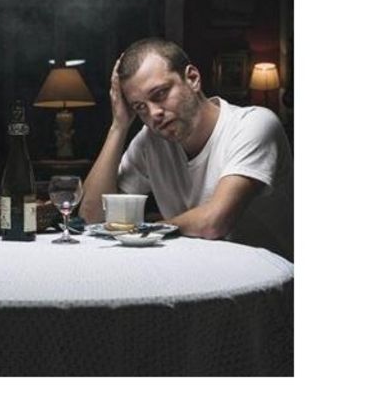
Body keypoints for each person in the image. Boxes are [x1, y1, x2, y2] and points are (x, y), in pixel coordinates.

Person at [79, 37, 293, 260]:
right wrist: (119, 126)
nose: (153, 114)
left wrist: (147, 229)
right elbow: (92, 217)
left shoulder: (253, 124)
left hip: (269, 275)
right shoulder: (150, 141)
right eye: (140, 107)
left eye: (160, 94)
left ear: (192, 78)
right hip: (196, 271)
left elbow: (214, 222)